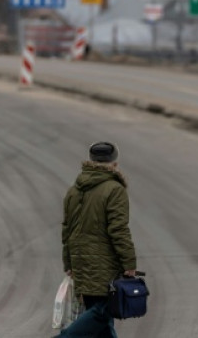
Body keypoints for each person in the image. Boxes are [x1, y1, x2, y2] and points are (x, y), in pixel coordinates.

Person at [56, 142, 136, 338]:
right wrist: (129, 263)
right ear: (114, 163)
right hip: (104, 263)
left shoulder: (74, 190)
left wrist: (69, 262)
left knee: (102, 320)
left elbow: (67, 229)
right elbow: (118, 229)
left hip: (80, 260)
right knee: (102, 311)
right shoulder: (114, 189)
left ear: (90, 161)